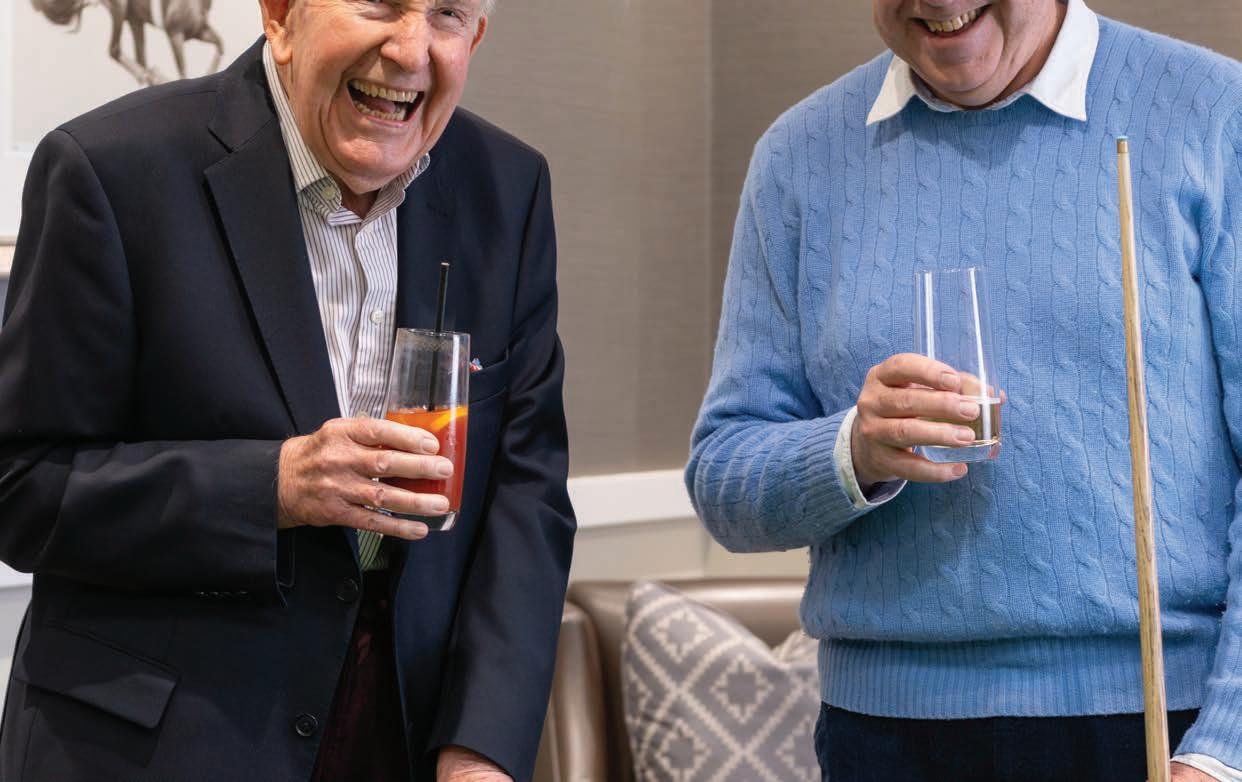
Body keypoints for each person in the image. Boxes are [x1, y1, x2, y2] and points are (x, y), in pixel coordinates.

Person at [0, 1, 575, 780]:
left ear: (476, 35)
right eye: (380, 3)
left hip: (406, 742)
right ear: (279, 15)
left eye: (447, 14)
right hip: (159, 752)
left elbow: (525, 492)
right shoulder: (109, 169)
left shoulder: (510, 187)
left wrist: (481, 745)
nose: (411, 50)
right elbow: (21, 487)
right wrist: (273, 486)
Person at [687, 1, 1242, 780]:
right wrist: (853, 451)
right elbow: (723, 480)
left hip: (1160, 724)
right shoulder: (796, 157)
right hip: (883, 737)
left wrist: (1224, 749)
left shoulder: (1213, 113)